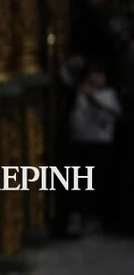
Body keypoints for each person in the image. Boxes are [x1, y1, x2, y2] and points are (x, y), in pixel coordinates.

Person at [67, 61, 122, 236]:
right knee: (80, 182)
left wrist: (92, 98)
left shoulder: (108, 95)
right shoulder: (80, 93)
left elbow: (112, 113)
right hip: (81, 142)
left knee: (98, 183)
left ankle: (94, 219)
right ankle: (76, 218)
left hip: (100, 144)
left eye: (99, 75)